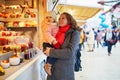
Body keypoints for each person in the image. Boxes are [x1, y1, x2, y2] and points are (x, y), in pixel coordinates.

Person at [44, 12, 80, 80]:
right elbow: (49, 45)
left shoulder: (75, 33)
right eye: (59, 18)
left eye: (63, 18)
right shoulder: (56, 31)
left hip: (64, 72)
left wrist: (51, 52)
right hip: (52, 71)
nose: (60, 20)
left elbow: (70, 52)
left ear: (69, 20)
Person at [41, 11, 59, 75]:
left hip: (53, 43)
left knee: (53, 54)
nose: (48, 19)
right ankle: (48, 65)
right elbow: (47, 34)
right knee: (54, 53)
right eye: (47, 17)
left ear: (54, 18)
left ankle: (48, 65)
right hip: (48, 43)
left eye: (50, 17)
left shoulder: (56, 25)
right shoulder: (46, 25)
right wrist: (53, 40)